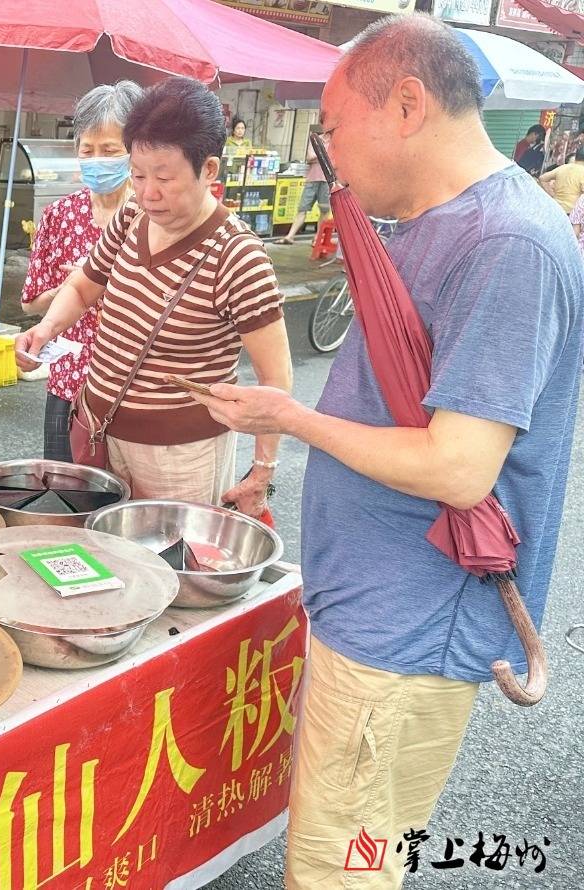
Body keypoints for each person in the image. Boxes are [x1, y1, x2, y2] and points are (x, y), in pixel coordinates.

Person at [189, 17, 583, 889]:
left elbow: (458, 468)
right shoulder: (430, 224)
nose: (323, 152)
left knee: (342, 868)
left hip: (408, 626)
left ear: (406, 105)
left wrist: (287, 418)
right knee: (339, 847)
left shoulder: (505, 245)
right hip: (372, 606)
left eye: (330, 127)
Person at [16, 78, 291, 513]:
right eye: (139, 175)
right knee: (103, 561)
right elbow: (86, 283)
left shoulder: (238, 256)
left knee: (169, 567)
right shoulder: (131, 216)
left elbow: (276, 380)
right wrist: (46, 329)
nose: (148, 193)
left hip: (180, 460)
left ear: (209, 170)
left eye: (164, 178)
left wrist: (262, 471)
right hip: (99, 434)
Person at [21, 81, 142, 461]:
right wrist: (75, 287)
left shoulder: (152, 217)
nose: (97, 160)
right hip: (68, 379)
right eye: (87, 150)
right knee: (64, 491)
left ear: (135, 151)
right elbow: (30, 304)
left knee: (120, 502)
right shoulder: (60, 215)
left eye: (109, 150)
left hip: (133, 387)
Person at [278, 130, 332, 244]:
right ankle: (290, 236)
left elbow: (333, 159)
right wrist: (323, 156)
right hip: (312, 179)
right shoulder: (315, 139)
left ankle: (317, 237)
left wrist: (320, 155)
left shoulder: (335, 141)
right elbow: (310, 157)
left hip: (327, 180)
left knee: (324, 210)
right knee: (302, 208)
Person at [539, 147, 584, 213]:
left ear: (576, 156)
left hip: (555, 207)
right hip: (571, 212)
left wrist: (552, 194)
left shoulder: (563, 167)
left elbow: (542, 178)